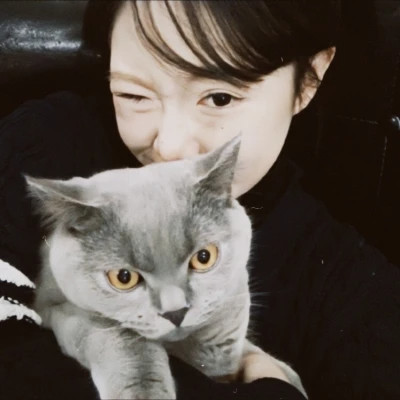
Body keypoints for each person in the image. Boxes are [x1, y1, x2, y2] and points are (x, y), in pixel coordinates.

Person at [0, 1, 399, 399]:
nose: (170, 146)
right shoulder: (45, 148)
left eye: (219, 98)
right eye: (134, 95)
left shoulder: (349, 294)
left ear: (309, 79)